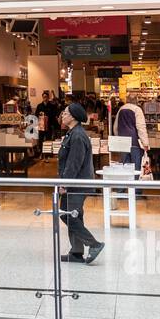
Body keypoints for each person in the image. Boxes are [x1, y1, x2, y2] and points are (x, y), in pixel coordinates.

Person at [57, 102, 104, 264]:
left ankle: (94, 244)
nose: (62, 115)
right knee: (73, 215)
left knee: (67, 214)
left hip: (77, 184)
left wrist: (65, 184)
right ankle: (76, 252)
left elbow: (74, 163)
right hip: (75, 183)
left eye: (65, 113)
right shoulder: (72, 133)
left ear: (73, 117)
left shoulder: (77, 136)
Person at [114, 97, 150, 173]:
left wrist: (118, 138)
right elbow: (141, 127)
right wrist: (145, 143)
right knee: (136, 168)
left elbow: (115, 127)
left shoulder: (121, 109)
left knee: (125, 167)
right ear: (136, 101)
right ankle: (135, 184)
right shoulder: (137, 109)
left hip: (123, 142)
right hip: (135, 143)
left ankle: (126, 183)